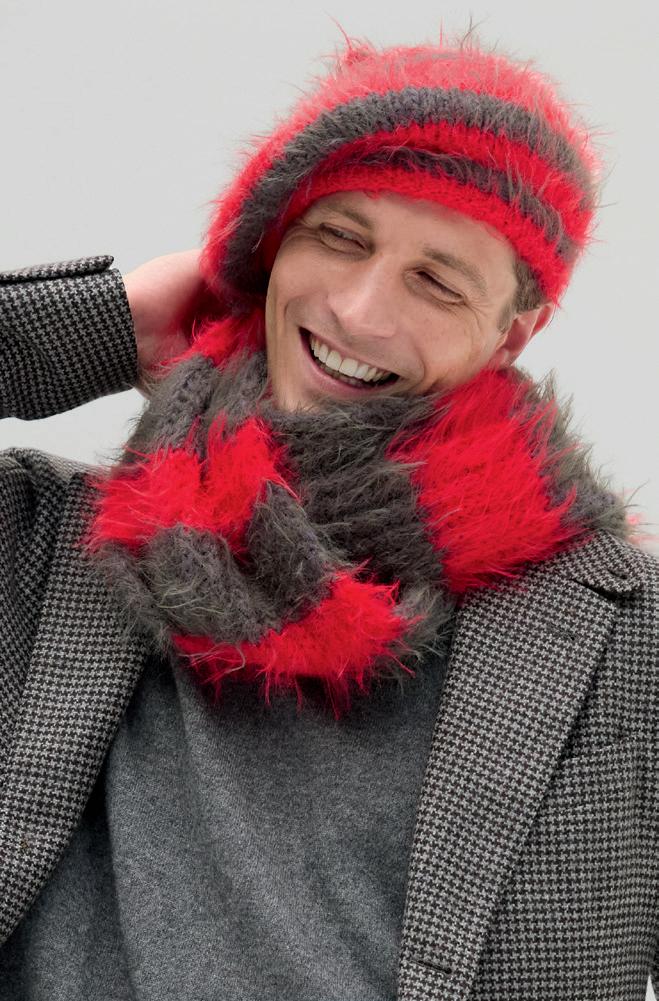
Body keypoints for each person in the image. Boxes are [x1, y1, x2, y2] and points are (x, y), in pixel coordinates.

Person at [0, 29, 657, 1001]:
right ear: (267, 250)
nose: (357, 310)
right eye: (338, 237)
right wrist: (104, 326)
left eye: (435, 281)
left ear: (509, 335)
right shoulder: (47, 546)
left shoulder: (621, 634)